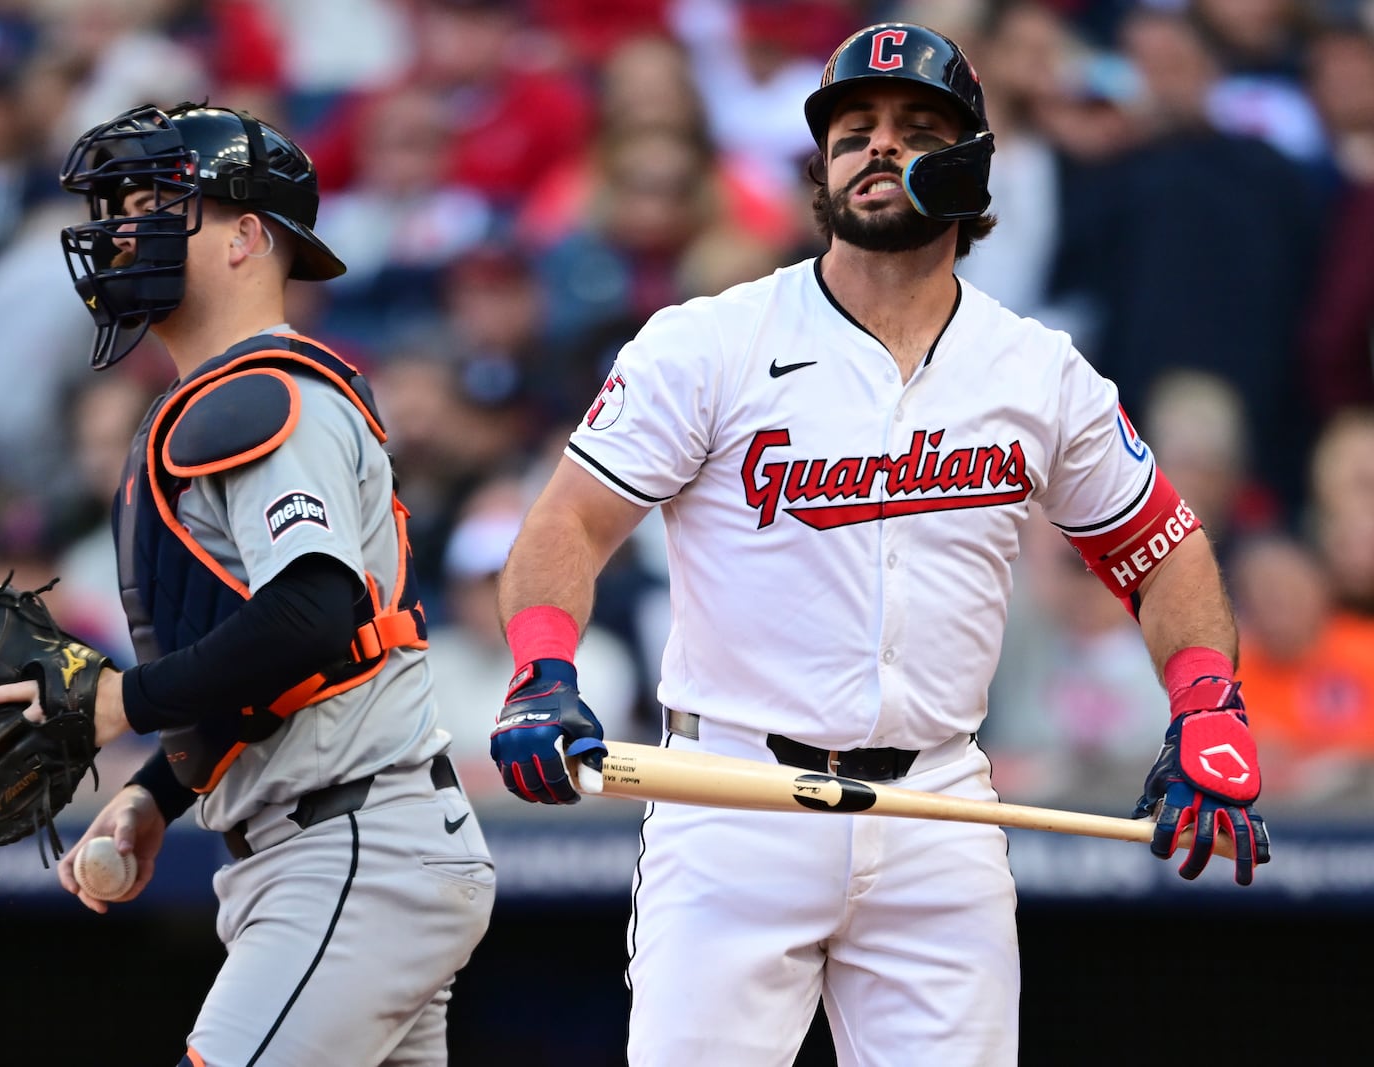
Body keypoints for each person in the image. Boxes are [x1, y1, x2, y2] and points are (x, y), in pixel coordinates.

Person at [487, 23, 1269, 1067]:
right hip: (735, 798)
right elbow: (566, 525)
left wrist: (1207, 697)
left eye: (913, 126)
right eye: (851, 129)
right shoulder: (711, 338)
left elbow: (1159, 546)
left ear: (973, 162)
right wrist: (542, 670)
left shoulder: (1037, 370)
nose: (874, 146)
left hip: (937, 805)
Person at [0, 102, 494, 1066]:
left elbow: (313, 614)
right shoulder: (225, 395)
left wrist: (116, 700)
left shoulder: (263, 396)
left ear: (249, 235)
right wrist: (161, 792)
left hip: (352, 849)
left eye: (154, 201)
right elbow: (278, 660)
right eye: (116, 203)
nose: (122, 225)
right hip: (344, 843)